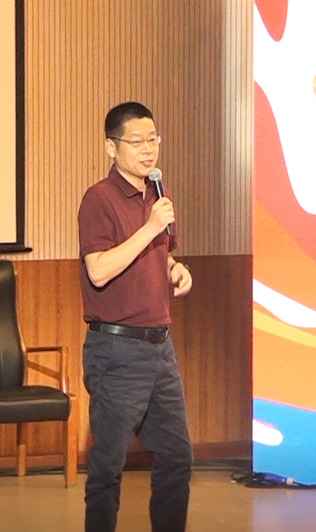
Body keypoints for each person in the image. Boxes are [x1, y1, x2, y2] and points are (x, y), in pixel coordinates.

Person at [77, 101, 194, 532]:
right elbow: (98, 270)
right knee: (108, 466)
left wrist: (176, 269)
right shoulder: (99, 199)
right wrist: (149, 227)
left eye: (153, 140)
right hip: (116, 350)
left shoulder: (157, 195)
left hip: (159, 348)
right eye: (137, 141)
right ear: (112, 147)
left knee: (177, 457)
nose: (148, 150)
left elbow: (158, 255)